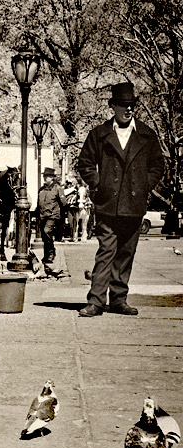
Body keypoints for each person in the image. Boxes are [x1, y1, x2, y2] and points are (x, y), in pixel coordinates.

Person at [77, 81, 164, 317]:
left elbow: (158, 165)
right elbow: (84, 163)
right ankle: (95, 302)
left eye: (132, 105)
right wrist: (98, 184)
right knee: (106, 251)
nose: (129, 109)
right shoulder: (99, 134)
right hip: (107, 205)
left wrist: (145, 185)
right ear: (112, 106)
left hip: (134, 205)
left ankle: (118, 300)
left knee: (126, 254)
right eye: (124, 105)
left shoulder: (146, 135)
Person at [37, 166, 67, 267]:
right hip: (42, 216)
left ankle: (51, 253)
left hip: (53, 216)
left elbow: (64, 203)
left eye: (48, 176)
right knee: (45, 237)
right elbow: (39, 203)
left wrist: (60, 216)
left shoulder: (58, 189)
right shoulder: (41, 189)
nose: (45, 178)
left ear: (52, 178)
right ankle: (47, 255)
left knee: (47, 232)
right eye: (45, 176)